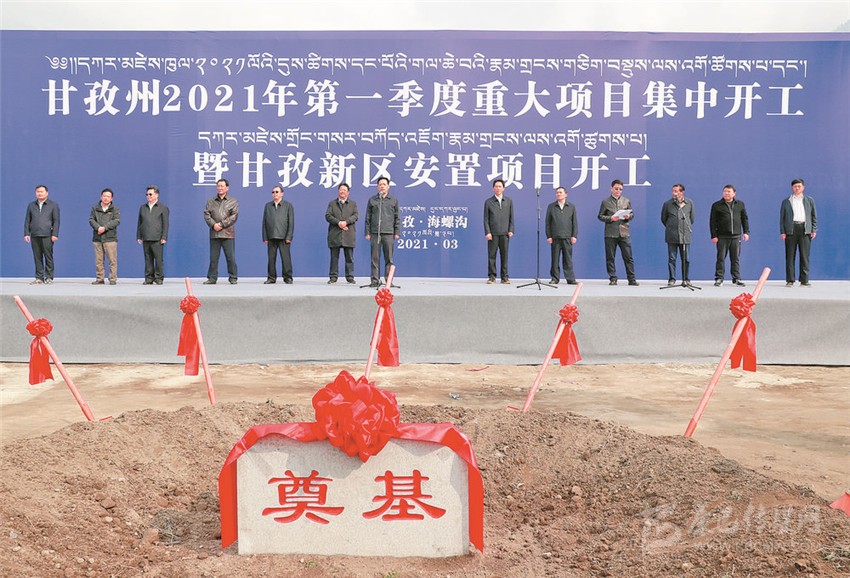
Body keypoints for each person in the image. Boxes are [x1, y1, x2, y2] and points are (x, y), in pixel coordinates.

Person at [597, 179, 638, 286]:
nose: (618, 191)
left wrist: (629, 216)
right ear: (611, 188)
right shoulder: (605, 202)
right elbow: (600, 216)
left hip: (624, 232)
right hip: (610, 233)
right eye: (616, 189)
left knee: (628, 257)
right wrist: (610, 218)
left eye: (620, 189)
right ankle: (613, 278)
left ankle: (631, 279)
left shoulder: (626, 201)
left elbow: (632, 214)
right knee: (610, 257)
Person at [709, 184, 750, 287]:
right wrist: (714, 235)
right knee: (721, 258)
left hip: (736, 237)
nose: (726, 193)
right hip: (722, 237)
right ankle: (719, 278)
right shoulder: (716, 205)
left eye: (729, 191)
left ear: (734, 193)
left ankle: (736, 278)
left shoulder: (740, 204)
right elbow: (712, 222)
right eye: (725, 191)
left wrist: (746, 232)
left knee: (735, 258)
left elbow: (744, 219)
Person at [780, 178, 817, 287]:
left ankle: (804, 280)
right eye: (795, 186)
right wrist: (783, 231)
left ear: (803, 187)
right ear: (792, 188)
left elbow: (814, 216)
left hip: (805, 229)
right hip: (791, 229)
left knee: (804, 256)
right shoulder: (787, 201)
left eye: (799, 186)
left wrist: (813, 229)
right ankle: (790, 280)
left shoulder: (809, 200)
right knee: (790, 255)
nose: (797, 188)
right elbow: (782, 218)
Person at [364, 177, 400, 288]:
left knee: (389, 258)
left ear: (388, 186)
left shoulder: (393, 200)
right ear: (377, 187)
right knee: (374, 258)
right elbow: (368, 217)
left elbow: (397, 217)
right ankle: (375, 280)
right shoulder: (372, 200)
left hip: (389, 233)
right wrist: (367, 232)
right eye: (380, 184)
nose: (382, 186)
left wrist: (397, 231)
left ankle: (388, 280)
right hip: (375, 233)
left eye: (384, 184)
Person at [203, 178, 239, 284]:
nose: (220, 188)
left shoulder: (233, 201)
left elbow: (234, 216)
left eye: (222, 186)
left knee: (230, 257)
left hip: (228, 234)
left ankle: (233, 277)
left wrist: (221, 224)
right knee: (213, 258)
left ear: (227, 188)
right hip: (214, 233)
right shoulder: (211, 201)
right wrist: (214, 225)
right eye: (218, 186)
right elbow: (206, 214)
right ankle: (212, 278)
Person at [23, 184, 60, 285]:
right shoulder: (31, 205)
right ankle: (39, 277)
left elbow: (56, 221)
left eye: (41, 191)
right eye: (37, 192)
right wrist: (26, 233)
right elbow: (27, 220)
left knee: (48, 256)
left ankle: (49, 277)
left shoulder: (53, 205)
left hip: (48, 234)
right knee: (37, 257)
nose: (39, 193)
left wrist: (55, 234)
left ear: (46, 193)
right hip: (34, 234)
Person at [660, 183, 695, 286]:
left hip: (685, 235)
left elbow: (691, 219)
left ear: (682, 192)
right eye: (673, 191)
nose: (673, 193)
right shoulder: (667, 204)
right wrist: (672, 226)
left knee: (686, 258)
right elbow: (663, 219)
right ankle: (672, 279)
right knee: (672, 258)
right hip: (672, 235)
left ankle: (686, 279)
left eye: (676, 191)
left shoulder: (689, 203)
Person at [326, 182, 358, 284]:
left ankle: (350, 277)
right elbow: (328, 216)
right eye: (341, 189)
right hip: (335, 234)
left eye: (344, 190)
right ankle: (333, 277)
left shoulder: (353, 204)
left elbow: (355, 216)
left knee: (349, 257)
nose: (342, 191)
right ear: (338, 191)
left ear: (348, 192)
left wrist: (346, 222)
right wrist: (338, 223)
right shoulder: (332, 203)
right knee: (334, 258)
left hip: (348, 234)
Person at [136, 185, 169, 285]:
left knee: (158, 259)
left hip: (157, 238)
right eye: (147, 194)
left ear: (157, 195)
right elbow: (140, 223)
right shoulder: (143, 207)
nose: (148, 196)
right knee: (148, 259)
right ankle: (149, 278)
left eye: (150, 194)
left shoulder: (163, 208)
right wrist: (139, 236)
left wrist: (164, 237)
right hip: (146, 237)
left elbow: (165, 224)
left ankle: (159, 278)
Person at [483, 179, 514, 284]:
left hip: (505, 234)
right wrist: (488, 232)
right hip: (493, 234)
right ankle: (492, 277)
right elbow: (486, 219)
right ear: (493, 188)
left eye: (500, 186)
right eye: (496, 186)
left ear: (503, 188)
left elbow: (511, 217)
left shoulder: (508, 201)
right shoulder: (488, 202)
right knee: (492, 256)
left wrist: (511, 230)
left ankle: (504, 277)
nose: (498, 188)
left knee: (504, 256)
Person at [262, 185, 295, 284]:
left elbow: (291, 222)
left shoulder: (288, 205)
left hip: (284, 237)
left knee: (286, 258)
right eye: (273, 192)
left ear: (282, 193)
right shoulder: (268, 206)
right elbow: (264, 222)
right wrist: (265, 237)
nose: (274, 194)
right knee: (271, 259)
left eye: (277, 192)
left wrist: (289, 236)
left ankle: (287, 277)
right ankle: (271, 277)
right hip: (271, 236)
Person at [545, 186, 578, 285]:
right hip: (555, 237)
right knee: (555, 259)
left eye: (560, 192)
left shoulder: (571, 207)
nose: (558, 194)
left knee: (568, 259)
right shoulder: (551, 206)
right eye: (557, 193)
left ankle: (570, 278)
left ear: (566, 194)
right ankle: (555, 278)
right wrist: (549, 236)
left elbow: (574, 222)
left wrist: (574, 235)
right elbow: (548, 223)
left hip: (567, 236)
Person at [89, 188, 120, 285]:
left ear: (111, 198)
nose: (106, 198)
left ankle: (112, 279)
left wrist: (104, 228)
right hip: (97, 238)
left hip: (110, 238)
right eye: (104, 196)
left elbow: (116, 221)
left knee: (112, 260)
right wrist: (98, 227)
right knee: (99, 260)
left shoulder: (115, 209)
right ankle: (100, 279)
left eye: (108, 196)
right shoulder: (95, 208)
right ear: (101, 197)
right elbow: (91, 220)